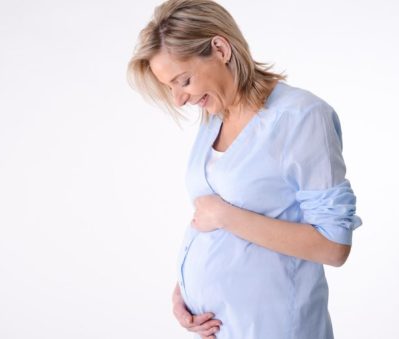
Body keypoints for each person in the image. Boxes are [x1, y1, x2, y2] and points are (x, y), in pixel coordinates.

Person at [126, 1, 363, 338]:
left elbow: (333, 246)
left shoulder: (301, 118)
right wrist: (185, 291)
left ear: (220, 48)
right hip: (222, 328)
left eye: (184, 80)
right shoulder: (213, 119)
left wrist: (226, 216)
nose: (179, 99)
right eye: (170, 88)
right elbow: (215, 219)